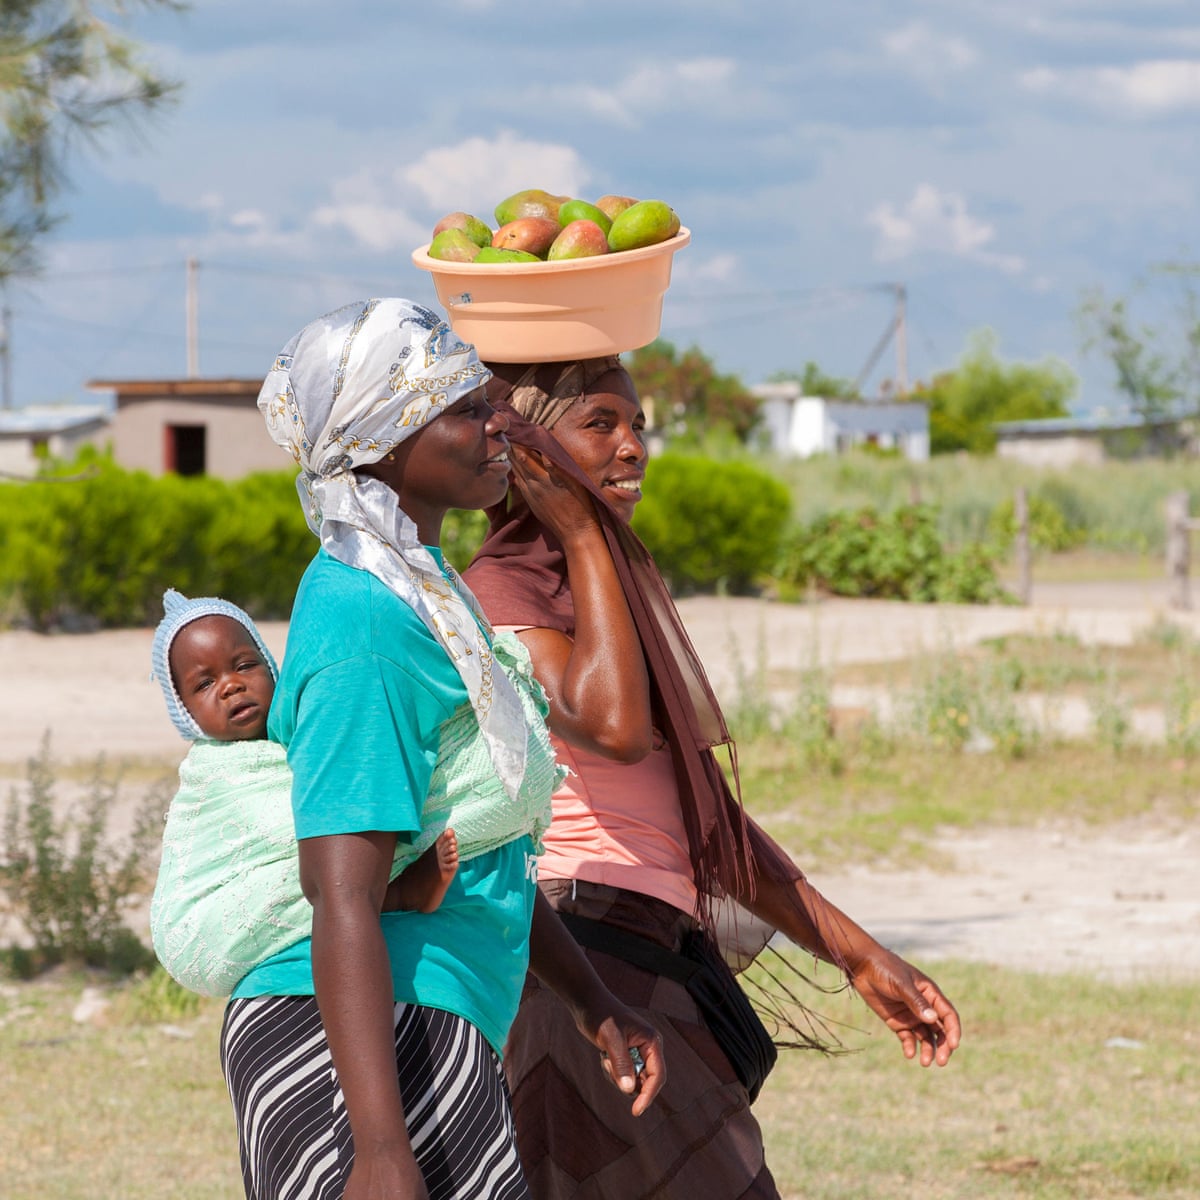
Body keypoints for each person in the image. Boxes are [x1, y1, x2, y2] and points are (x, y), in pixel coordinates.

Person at [463, 357, 963, 1200]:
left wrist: (861, 956)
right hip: (580, 966)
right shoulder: (501, 589)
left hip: (641, 961)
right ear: (533, 449)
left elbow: (706, 825)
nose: (633, 449)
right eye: (601, 424)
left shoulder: (603, 590)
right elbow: (614, 729)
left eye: (639, 427)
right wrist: (582, 536)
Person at [222, 300, 665, 1200]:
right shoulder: (364, 625)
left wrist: (591, 1003)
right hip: (359, 1038)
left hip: (429, 1010)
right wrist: (382, 1150)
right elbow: (341, 889)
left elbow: (472, 840)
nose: (498, 423)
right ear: (384, 442)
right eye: (464, 410)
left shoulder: (425, 591)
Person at [148, 587, 459, 998]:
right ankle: (400, 892)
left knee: (334, 843)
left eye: (244, 665)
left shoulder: (299, 730)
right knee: (325, 860)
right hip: (218, 918)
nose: (231, 686)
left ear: (272, 666)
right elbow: (275, 826)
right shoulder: (210, 776)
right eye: (205, 683)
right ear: (184, 712)